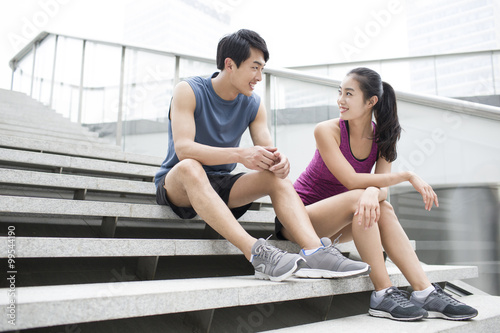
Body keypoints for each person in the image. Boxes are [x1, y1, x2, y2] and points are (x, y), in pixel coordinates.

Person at [154, 29, 370, 283]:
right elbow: (184, 149)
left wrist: (279, 162)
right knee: (191, 166)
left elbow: (268, 149)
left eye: (262, 69)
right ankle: (257, 253)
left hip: (221, 184)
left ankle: (316, 252)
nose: (259, 77)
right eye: (254, 67)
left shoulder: (253, 103)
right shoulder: (189, 90)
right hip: (178, 183)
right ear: (230, 65)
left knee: (273, 178)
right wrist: (241, 154)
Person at [275, 67, 478, 320]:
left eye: (349, 94)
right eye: (340, 92)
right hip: (299, 220)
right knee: (364, 200)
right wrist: (405, 176)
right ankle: (382, 293)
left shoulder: (382, 137)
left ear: (371, 101)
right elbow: (350, 179)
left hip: (340, 220)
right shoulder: (326, 130)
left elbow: (379, 187)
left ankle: (424, 291)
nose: (340, 100)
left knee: (381, 207)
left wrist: (373, 192)